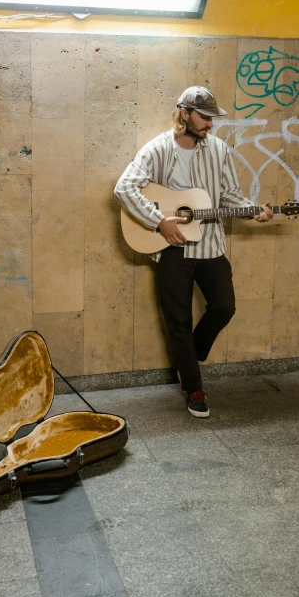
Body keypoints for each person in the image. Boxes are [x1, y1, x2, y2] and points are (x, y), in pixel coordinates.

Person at [114, 86, 273, 418]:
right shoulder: (158, 149)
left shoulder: (219, 150)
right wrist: (159, 221)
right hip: (172, 250)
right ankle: (194, 387)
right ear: (184, 113)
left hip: (211, 245)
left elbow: (229, 195)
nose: (210, 125)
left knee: (223, 307)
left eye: (213, 118)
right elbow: (124, 187)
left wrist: (253, 209)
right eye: (204, 117)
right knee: (179, 322)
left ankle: (190, 355)